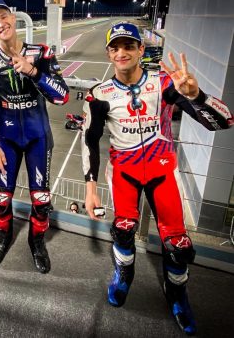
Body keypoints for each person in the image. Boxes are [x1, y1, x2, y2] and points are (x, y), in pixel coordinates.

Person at [81, 22, 232, 335]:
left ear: (140, 49)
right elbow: (89, 141)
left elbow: (224, 122)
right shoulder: (99, 95)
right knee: (123, 231)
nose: (121, 53)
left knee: (178, 243)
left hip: (162, 171)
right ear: (109, 53)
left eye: (128, 46)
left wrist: (197, 95)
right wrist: (90, 188)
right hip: (124, 173)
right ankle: (124, 276)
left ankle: (177, 293)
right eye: (115, 47)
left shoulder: (165, 83)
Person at [0, 0, 69, 274]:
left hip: (39, 136)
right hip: (6, 139)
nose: (0, 24)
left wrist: (33, 71)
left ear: (13, 19)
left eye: (3, 17)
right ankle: (3, 236)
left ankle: (36, 240)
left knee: (41, 199)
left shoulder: (42, 53)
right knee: (1, 199)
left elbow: (62, 96)